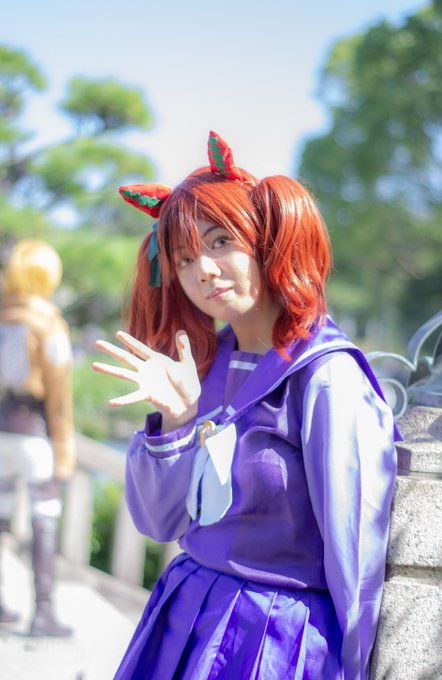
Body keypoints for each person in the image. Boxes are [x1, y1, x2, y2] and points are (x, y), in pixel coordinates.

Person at [93, 131, 399, 679]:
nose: (203, 270)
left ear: (265, 240)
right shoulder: (202, 366)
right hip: (186, 617)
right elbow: (159, 523)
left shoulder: (326, 376)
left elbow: (357, 554)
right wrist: (178, 420)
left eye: (220, 242)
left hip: (277, 636)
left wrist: (356, 666)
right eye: (185, 258)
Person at [0, 239, 75, 636]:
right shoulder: (49, 323)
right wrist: (64, 449)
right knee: (44, 519)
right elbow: (59, 397)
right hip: (33, 434)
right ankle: (42, 613)